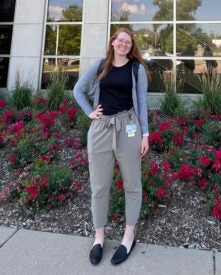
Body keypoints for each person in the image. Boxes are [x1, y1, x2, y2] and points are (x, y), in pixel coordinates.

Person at [73, 27, 150, 266]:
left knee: (132, 183)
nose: (124, 44)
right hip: (101, 129)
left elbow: (142, 104)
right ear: (113, 42)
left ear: (132, 45)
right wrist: (90, 112)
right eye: (120, 40)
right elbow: (78, 90)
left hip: (128, 127)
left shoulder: (137, 69)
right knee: (99, 186)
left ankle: (129, 235)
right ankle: (99, 238)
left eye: (128, 42)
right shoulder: (100, 66)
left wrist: (145, 134)